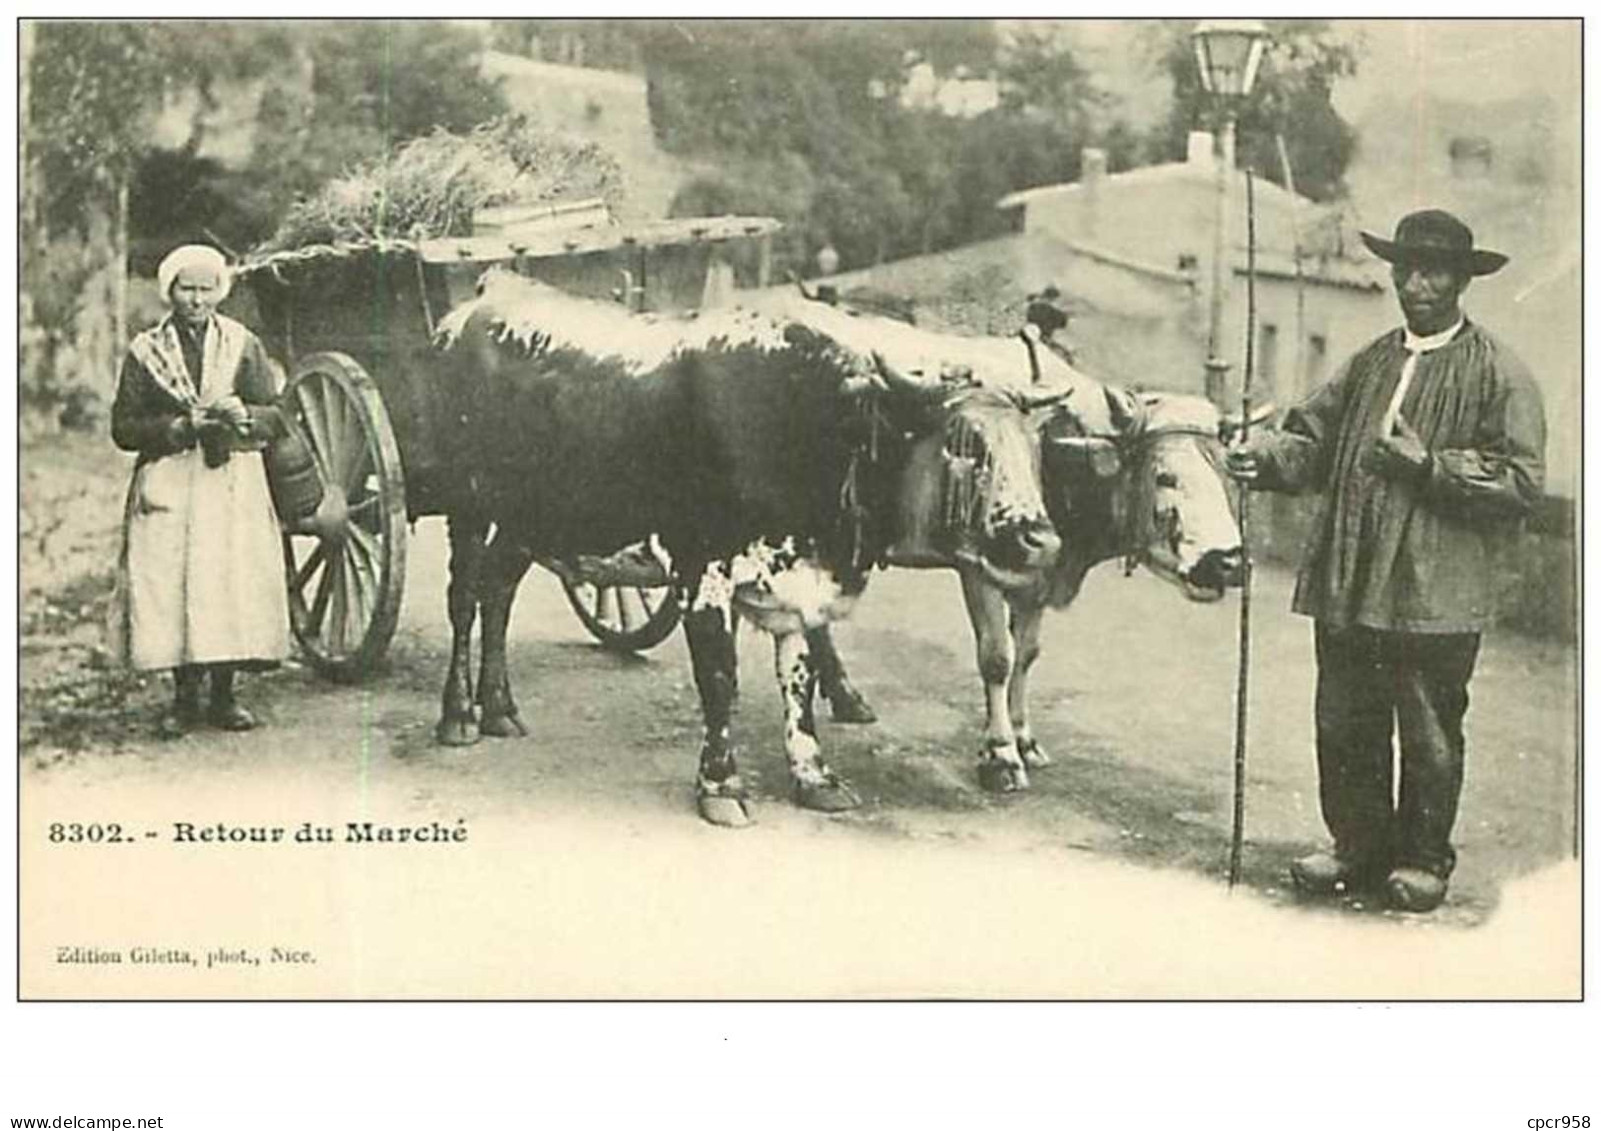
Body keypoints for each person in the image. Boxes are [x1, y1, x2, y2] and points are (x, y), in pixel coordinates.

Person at [1226, 209, 1546, 912]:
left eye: (1432, 269)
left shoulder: (1497, 371)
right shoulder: (1371, 361)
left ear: (1462, 279)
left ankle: (1423, 858)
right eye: (1404, 266)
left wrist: (1429, 466)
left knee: (1427, 726)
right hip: (1349, 575)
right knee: (1343, 719)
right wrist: (1265, 458)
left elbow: (1520, 480)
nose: (1414, 282)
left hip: (1433, 590)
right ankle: (1355, 847)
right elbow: (1309, 436)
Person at [110, 244, 291, 737]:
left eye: (205, 289)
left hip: (230, 478)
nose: (195, 300)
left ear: (220, 292)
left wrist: (244, 416)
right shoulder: (146, 352)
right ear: (170, 292)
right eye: (185, 289)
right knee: (172, 585)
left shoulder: (241, 344)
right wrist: (176, 427)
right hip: (171, 478)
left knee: (225, 581)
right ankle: (183, 698)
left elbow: (275, 414)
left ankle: (225, 696)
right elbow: (124, 427)